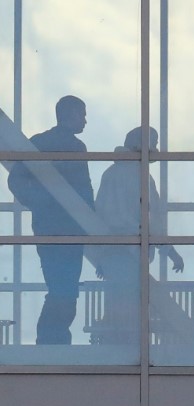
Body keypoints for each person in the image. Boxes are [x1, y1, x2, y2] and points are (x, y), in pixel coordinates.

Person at [7, 95, 94, 344]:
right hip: (70, 230)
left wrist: (40, 202)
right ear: (71, 114)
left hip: (47, 228)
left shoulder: (39, 143)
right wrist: (92, 224)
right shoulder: (77, 147)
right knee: (65, 291)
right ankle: (52, 343)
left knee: (60, 289)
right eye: (82, 114)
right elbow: (84, 189)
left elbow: (16, 181)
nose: (85, 120)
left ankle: (50, 342)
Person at [93, 127, 184, 343]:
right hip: (133, 249)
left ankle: (114, 349)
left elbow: (100, 214)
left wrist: (101, 255)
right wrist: (170, 251)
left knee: (116, 302)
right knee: (132, 306)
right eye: (154, 142)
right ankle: (129, 353)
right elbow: (153, 217)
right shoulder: (140, 176)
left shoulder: (110, 173)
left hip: (113, 251)